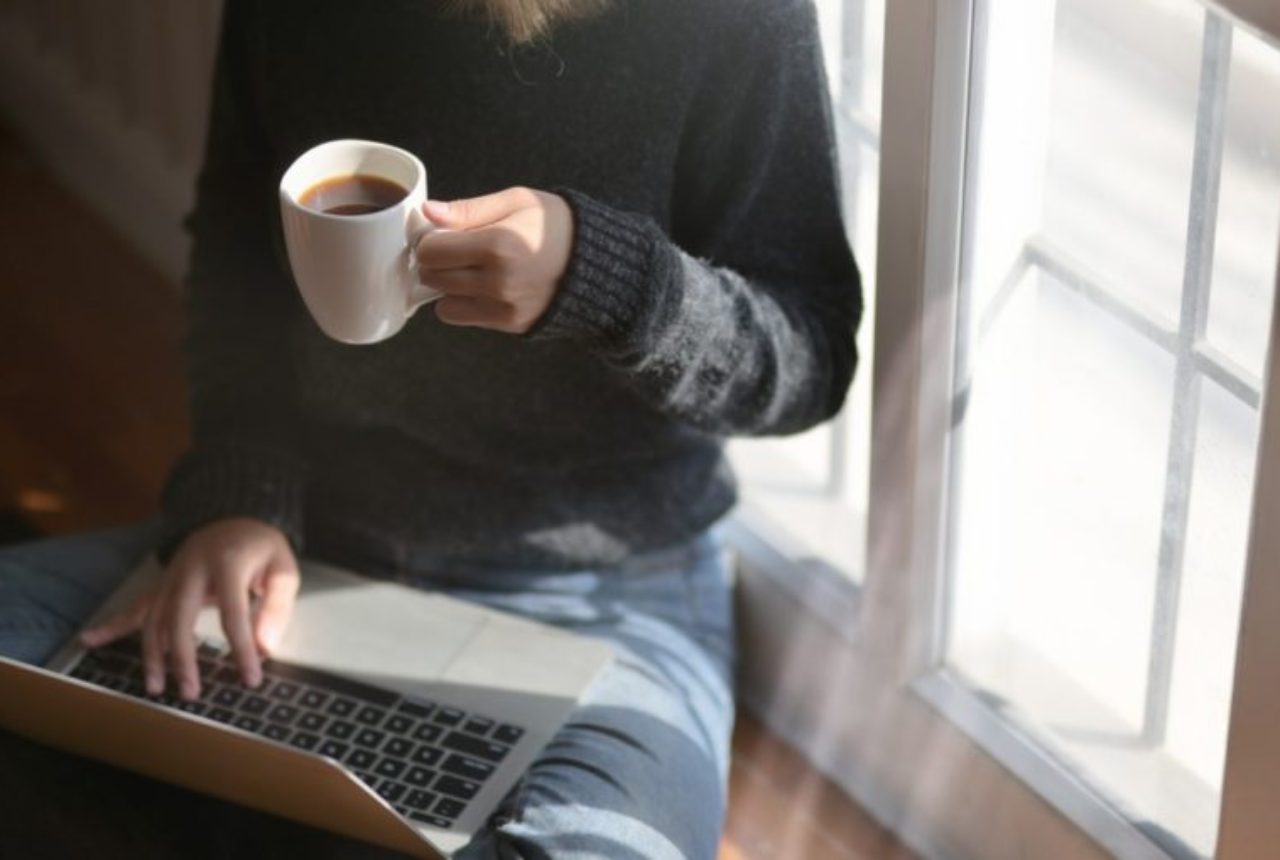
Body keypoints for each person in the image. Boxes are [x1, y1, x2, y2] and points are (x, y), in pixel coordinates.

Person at [0, 0, 861, 856]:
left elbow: (808, 360)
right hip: (309, 545)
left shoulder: (736, 20)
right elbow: (239, 249)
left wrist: (613, 282)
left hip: (608, 598)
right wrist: (238, 494)